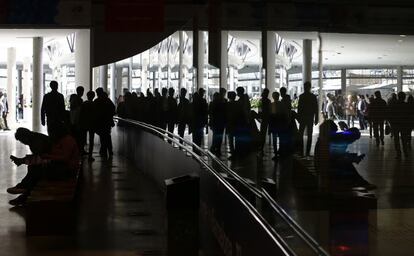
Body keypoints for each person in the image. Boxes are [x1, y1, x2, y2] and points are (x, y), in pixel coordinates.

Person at [8, 126, 80, 206]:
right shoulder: (61, 140)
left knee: (36, 170)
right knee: (35, 169)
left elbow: (65, 158)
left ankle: (23, 189)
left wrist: (48, 156)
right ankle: (23, 191)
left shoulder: (67, 140)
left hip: (66, 170)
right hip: (62, 167)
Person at [314, 120, 375, 191]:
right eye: (334, 124)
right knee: (346, 164)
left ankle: (360, 182)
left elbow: (336, 155)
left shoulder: (328, 138)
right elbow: (337, 158)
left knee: (345, 162)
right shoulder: (334, 139)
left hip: (323, 167)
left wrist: (352, 157)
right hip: (326, 170)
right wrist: (352, 159)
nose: (336, 126)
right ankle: (360, 182)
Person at [6, 128, 52, 196]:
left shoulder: (36, 141)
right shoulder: (35, 138)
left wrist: (22, 160)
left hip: (52, 162)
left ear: (25, 137)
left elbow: (41, 157)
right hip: (50, 159)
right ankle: (23, 187)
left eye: (22, 140)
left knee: (34, 168)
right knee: (33, 167)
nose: (23, 143)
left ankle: (23, 187)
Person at [297, 82, 319, 157]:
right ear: (310, 87)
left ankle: (301, 151)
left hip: (303, 117)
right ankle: (307, 152)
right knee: (309, 134)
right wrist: (316, 118)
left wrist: (298, 117)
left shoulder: (301, 96)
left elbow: (299, 108)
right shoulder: (313, 97)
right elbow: (316, 108)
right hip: (310, 117)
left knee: (300, 134)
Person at [94, 88, 116, 158]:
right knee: (107, 136)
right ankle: (109, 150)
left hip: (100, 122)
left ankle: (103, 149)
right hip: (107, 122)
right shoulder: (107, 100)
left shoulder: (97, 101)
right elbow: (113, 109)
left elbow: (95, 112)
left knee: (103, 136)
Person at [388, 92, 410, 159]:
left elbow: (390, 114)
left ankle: (399, 154)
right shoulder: (406, 105)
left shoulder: (394, 105)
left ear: (398, 97)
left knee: (396, 140)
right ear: (404, 97)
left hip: (395, 124)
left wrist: (391, 123)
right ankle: (406, 153)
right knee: (404, 139)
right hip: (404, 125)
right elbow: (409, 116)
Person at [80, 91, 97, 162]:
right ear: (93, 96)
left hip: (84, 123)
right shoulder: (94, 104)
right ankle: (90, 156)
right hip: (92, 124)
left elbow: (81, 114)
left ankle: (81, 153)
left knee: (83, 139)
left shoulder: (84, 104)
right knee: (91, 140)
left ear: (87, 96)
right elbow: (96, 114)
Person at [190, 88, 208, 153]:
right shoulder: (203, 101)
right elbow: (205, 112)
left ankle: (195, 149)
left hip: (195, 122)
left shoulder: (193, 103)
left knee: (195, 137)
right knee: (199, 137)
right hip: (200, 122)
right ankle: (198, 149)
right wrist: (205, 122)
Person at [209, 92, 226, 156]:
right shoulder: (222, 104)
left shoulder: (212, 104)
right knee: (219, 136)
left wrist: (210, 122)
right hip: (221, 122)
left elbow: (210, 114)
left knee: (215, 135)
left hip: (215, 122)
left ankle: (214, 147)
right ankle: (218, 149)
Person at [258, 88, 271, 156]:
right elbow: (269, 110)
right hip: (267, 118)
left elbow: (259, 110)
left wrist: (259, 118)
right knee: (265, 132)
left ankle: (261, 147)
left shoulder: (261, 100)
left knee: (262, 133)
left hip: (263, 118)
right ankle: (262, 146)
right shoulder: (268, 101)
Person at [226, 91, 237, 159]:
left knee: (230, 139)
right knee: (236, 138)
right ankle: (236, 152)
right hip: (236, 123)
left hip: (229, 123)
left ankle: (233, 153)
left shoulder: (227, 104)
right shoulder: (237, 104)